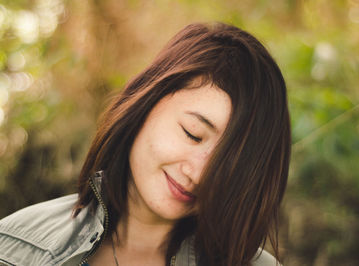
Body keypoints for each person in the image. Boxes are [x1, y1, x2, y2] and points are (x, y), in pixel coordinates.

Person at [0, 22, 291, 266]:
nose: (199, 174)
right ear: (145, 103)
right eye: (192, 133)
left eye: (228, 162)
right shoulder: (14, 248)